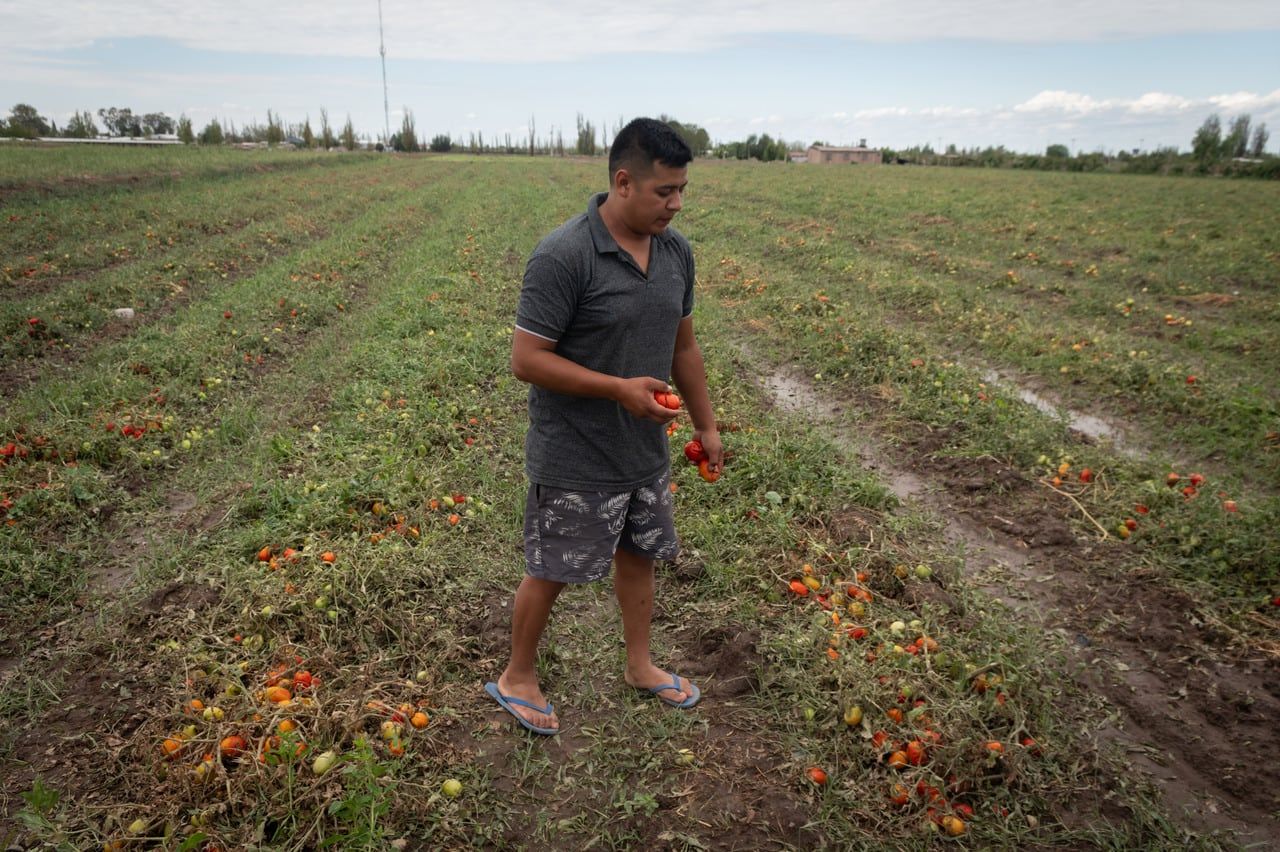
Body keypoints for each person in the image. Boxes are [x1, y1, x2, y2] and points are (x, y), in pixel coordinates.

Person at [484, 118, 722, 735]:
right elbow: (526, 360)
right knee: (553, 567)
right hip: (576, 451)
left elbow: (684, 347)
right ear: (622, 182)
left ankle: (640, 665)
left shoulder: (676, 253)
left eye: (682, 190)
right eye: (664, 191)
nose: (676, 203)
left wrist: (707, 424)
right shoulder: (564, 256)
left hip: (643, 449)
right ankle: (517, 676)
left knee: (640, 555)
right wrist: (618, 389)